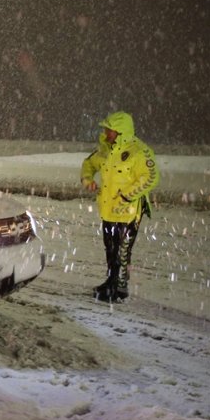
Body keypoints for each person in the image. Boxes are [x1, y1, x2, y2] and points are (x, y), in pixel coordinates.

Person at [80, 111, 159, 302]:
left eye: (110, 130)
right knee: (111, 249)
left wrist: (127, 196)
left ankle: (119, 289)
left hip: (129, 213)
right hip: (108, 211)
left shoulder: (139, 151)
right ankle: (111, 281)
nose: (106, 133)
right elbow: (89, 163)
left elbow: (150, 177)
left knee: (122, 252)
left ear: (121, 131)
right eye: (106, 129)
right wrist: (87, 179)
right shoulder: (106, 150)